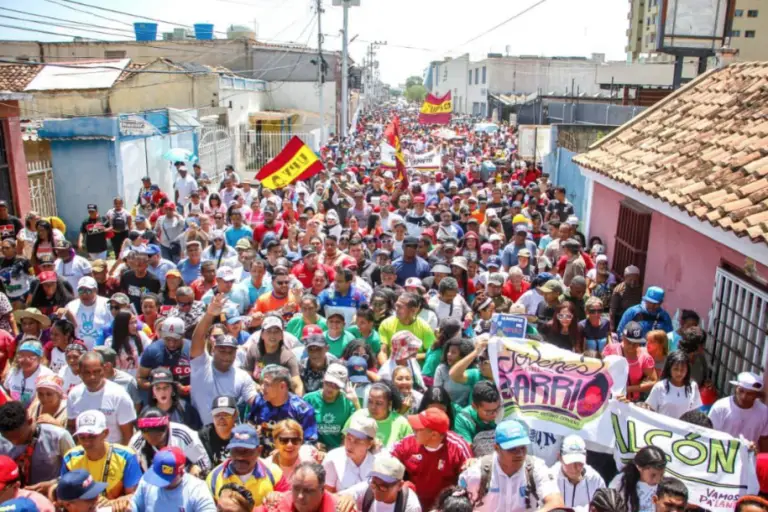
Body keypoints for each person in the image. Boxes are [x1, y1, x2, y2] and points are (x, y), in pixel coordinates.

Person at [458, 419, 564, 512]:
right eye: (512, 449)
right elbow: (457, 507)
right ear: (496, 448)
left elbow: (556, 504)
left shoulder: (536, 468)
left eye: (522, 447)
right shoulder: (476, 473)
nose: (520, 454)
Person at [190, 294, 257, 425]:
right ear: (213, 349)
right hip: (198, 431)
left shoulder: (242, 376)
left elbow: (254, 401)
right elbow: (197, 338)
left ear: (235, 353)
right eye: (222, 350)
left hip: (229, 432)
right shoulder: (201, 364)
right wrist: (209, 315)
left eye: (230, 351)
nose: (226, 355)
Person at [391, 408, 471, 510]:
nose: (413, 429)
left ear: (434, 435)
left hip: (444, 507)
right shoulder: (408, 442)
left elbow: (470, 478)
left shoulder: (458, 447)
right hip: (412, 505)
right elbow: (387, 459)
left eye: (418, 428)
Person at [61, 410, 142, 511]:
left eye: (92, 436)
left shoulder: (126, 456)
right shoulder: (70, 457)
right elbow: (65, 496)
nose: (87, 442)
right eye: (82, 437)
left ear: (105, 433)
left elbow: (136, 495)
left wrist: (114, 503)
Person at [0, 401, 75, 492]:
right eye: (8, 439)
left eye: (18, 437)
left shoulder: (59, 437)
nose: (14, 443)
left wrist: (54, 484)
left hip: (52, 495)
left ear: (30, 421)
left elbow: (76, 472)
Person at [206, 424, 289, 506]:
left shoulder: (274, 473)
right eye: (236, 450)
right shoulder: (213, 478)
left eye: (247, 451)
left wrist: (279, 498)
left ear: (259, 451)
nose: (240, 456)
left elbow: (289, 504)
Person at [66, 352, 136, 445]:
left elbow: (128, 435)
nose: (92, 377)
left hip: (113, 455)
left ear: (104, 369)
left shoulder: (119, 395)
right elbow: (71, 427)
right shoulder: (74, 394)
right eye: (87, 372)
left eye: (96, 371)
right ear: (79, 372)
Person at [247, 365, 317, 450]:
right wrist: (253, 430)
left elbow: (309, 443)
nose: (262, 387)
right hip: (262, 455)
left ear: (282, 386)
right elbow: (250, 422)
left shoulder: (302, 410)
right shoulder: (259, 400)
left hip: (290, 457)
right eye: (262, 383)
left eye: (267, 384)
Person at [128, 407, 211, 476]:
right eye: (148, 433)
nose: (153, 437)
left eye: (157, 434)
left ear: (167, 426)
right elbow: (129, 472)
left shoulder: (183, 435)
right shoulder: (136, 444)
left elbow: (204, 464)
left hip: (184, 481)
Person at [132, 446, 216, 512]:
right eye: (158, 477)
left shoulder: (197, 489)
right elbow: (135, 505)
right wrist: (127, 506)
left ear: (181, 471)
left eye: (165, 479)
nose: (159, 483)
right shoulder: (147, 481)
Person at [336, 453, 422, 512]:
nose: (376, 489)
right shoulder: (368, 489)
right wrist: (347, 498)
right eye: (374, 483)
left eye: (383, 486)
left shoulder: (410, 506)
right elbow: (336, 497)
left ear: (399, 486)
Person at [303, 363, 358, 451]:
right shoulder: (308, 399)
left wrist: (356, 402)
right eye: (328, 383)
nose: (330, 388)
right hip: (313, 449)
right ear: (324, 379)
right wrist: (312, 443)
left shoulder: (348, 402)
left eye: (336, 386)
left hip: (339, 450)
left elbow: (359, 425)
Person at [708, 371, 768, 450]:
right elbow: (708, 434)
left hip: (748, 457)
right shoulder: (720, 407)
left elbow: (764, 440)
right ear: (736, 388)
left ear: (757, 395)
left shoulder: (764, 412)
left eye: (750, 394)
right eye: (741, 391)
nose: (744, 397)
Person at [344, 383, 412, 449]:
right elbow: (345, 443)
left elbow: (409, 450)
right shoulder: (358, 416)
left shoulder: (402, 423)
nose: (373, 407)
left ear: (389, 404)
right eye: (370, 401)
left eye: (379, 403)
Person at [322, 413, 378, 493]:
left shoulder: (377, 465)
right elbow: (327, 495)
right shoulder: (333, 459)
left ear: (369, 444)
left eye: (358, 441)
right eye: (348, 438)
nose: (350, 445)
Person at [549, 435, 606, 511]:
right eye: (570, 462)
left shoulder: (595, 480)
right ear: (559, 457)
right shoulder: (549, 478)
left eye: (579, 462)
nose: (574, 467)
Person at [603, 322, 657, 402]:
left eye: (636, 343)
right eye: (629, 342)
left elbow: (654, 381)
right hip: (608, 398)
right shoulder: (611, 350)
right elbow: (598, 370)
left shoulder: (645, 358)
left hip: (632, 402)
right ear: (623, 337)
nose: (632, 346)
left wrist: (627, 390)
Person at [136, 317, 191, 394]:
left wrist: (189, 389)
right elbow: (140, 378)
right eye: (167, 339)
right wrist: (159, 388)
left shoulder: (193, 350)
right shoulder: (152, 351)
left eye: (176, 339)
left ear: (183, 335)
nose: (172, 344)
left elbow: (203, 378)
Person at [254, 461, 336, 512]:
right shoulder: (274, 506)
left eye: (308, 491)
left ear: (322, 490)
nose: (300, 496)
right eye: (296, 488)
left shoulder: (342, 508)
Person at [378, 292, 436, 360]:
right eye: (396, 305)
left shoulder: (425, 328)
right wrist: (386, 369)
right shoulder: (386, 324)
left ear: (413, 310)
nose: (396, 309)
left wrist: (407, 357)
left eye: (400, 307)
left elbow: (432, 353)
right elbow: (382, 352)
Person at [645, 351, 702, 419]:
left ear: (687, 370)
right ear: (669, 369)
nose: (679, 373)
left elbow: (695, 413)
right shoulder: (659, 387)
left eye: (682, 370)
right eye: (676, 369)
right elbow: (649, 410)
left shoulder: (693, 386)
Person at [609, 446, 666, 512]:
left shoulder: (663, 486)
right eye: (653, 475)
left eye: (661, 474)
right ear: (639, 467)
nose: (657, 480)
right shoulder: (621, 482)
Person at [261, 419, 318, 484]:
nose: (289, 445)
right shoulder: (265, 467)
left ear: (301, 442)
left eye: (295, 440)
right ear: (275, 442)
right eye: (284, 440)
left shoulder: (310, 458)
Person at [65, 277, 112, 350]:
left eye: (88, 291)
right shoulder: (70, 306)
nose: (84, 294)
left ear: (96, 290)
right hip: (78, 352)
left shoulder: (107, 305)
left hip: (101, 351)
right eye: (81, 291)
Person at [453, 381, 500, 453]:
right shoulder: (464, 419)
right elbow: (467, 450)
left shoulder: (505, 412)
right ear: (474, 406)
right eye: (488, 411)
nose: (494, 414)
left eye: (497, 409)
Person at [4, 341, 53, 407]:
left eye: (30, 357)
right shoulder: (13, 371)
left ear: (39, 358)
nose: (25, 360)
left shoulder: (47, 374)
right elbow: (7, 390)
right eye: (22, 355)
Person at [199, 396, 238, 468]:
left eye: (226, 414)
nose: (221, 419)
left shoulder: (243, 436)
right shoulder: (203, 437)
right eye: (217, 414)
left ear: (235, 415)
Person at [117, 248, 161, 313]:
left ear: (146, 264)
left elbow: (156, 300)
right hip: (130, 311)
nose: (138, 266)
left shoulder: (153, 280)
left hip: (146, 312)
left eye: (141, 264)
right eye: (136, 263)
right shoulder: (126, 276)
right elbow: (123, 294)